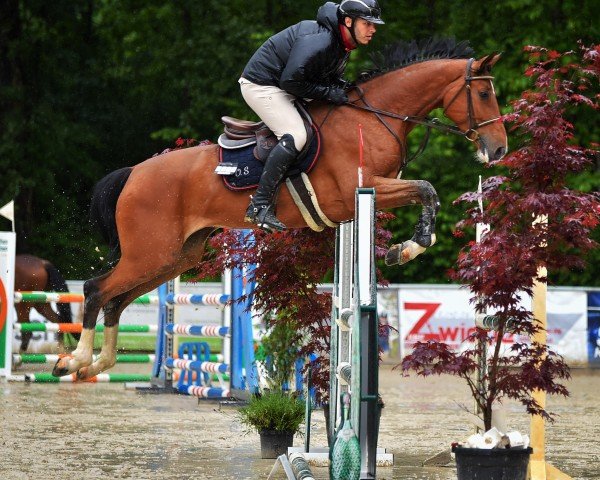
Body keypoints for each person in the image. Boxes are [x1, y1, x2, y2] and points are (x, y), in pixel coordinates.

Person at [239, 0, 384, 232]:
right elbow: (290, 80)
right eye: (367, 23)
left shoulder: (340, 43)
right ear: (348, 21)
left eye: (374, 24)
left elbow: (318, 75)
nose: (373, 29)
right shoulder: (323, 40)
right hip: (262, 85)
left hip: (287, 85)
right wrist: (328, 92)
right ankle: (259, 206)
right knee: (296, 134)